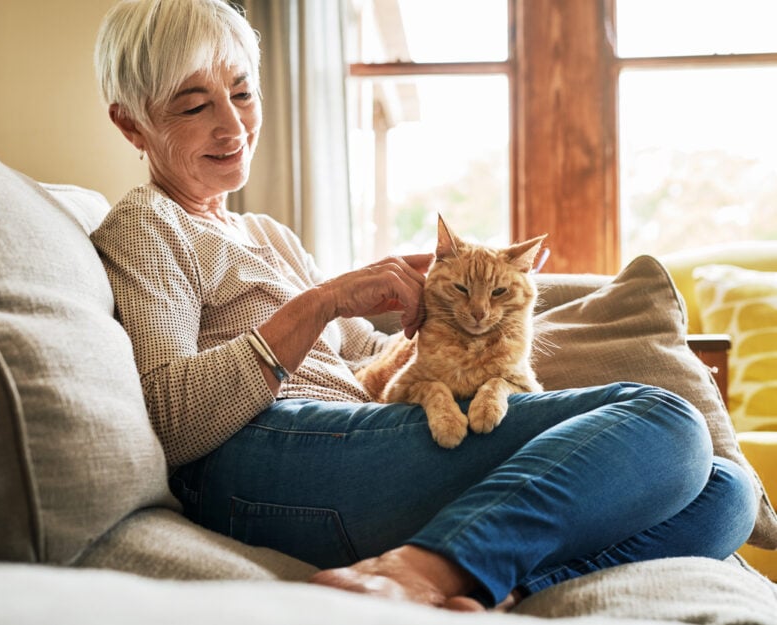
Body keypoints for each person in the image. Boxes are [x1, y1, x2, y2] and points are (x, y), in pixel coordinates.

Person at [90, 0, 757, 612]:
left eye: (240, 93)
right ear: (131, 123)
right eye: (193, 105)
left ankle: (495, 579)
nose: (232, 124)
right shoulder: (148, 224)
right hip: (262, 461)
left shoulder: (268, 235)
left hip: (358, 443)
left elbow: (367, 361)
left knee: (723, 491)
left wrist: (443, 312)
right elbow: (171, 421)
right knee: (665, 419)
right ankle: (423, 570)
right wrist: (322, 301)